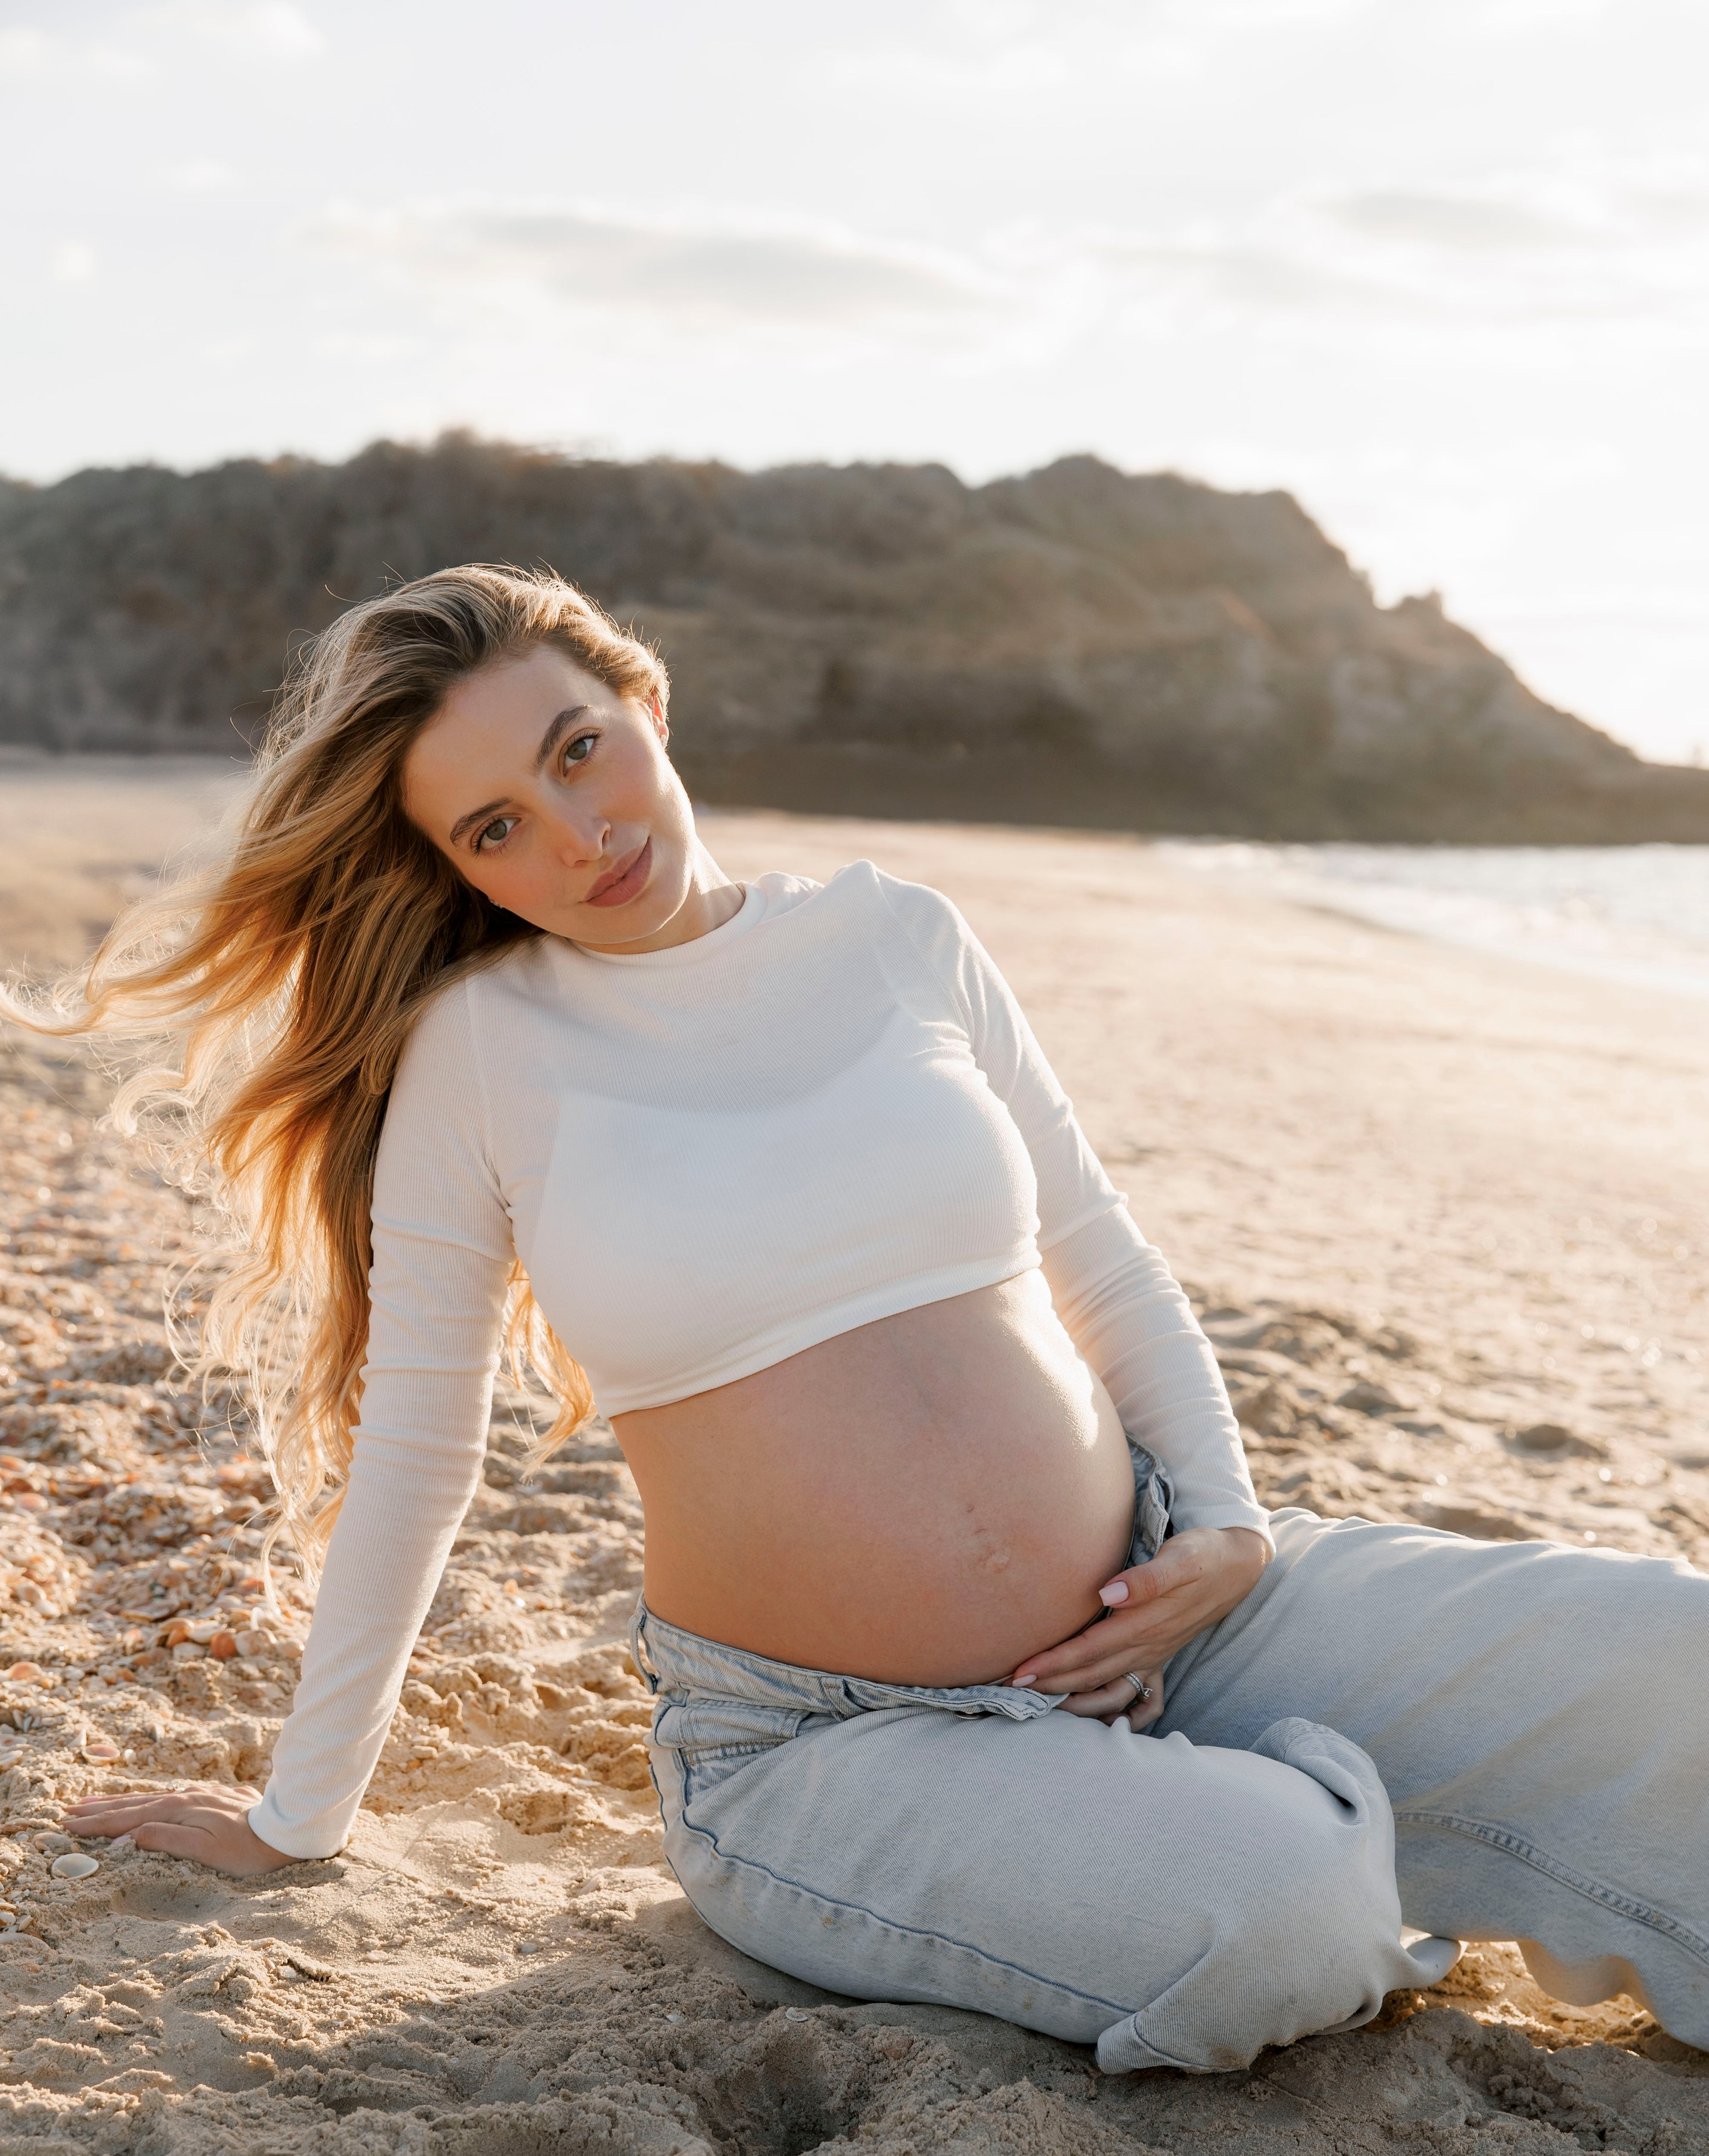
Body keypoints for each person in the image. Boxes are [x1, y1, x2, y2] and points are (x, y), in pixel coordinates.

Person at [31, 567, 1709, 2075]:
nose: (575, 836)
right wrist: (298, 1815)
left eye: (576, 752)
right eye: (494, 830)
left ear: (643, 699)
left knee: (1667, 1657)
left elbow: (1097, 1251)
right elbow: (418, 1448)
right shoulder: (478, 1053)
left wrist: (1227, 1528)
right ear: (449, 866)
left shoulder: (896, 933)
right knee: (1280, 1919)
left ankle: (1285, 1807)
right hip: (827, 1747)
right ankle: (1319, 1841)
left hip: (1165, 1612)